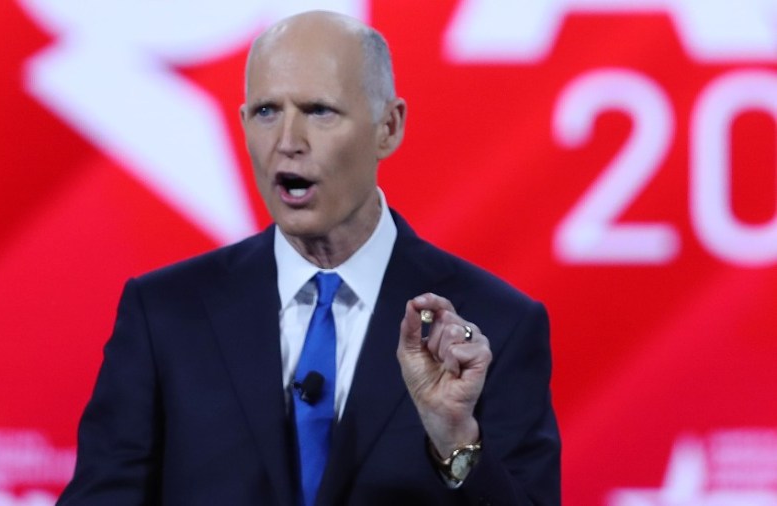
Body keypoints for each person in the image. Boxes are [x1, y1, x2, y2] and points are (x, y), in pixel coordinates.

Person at [58, 10, 560, 506]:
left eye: (319, 110)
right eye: (266, 111)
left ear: (388, 126)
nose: (287, 143)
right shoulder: (165, 315)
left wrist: (456, 440)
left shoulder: (496, 326)